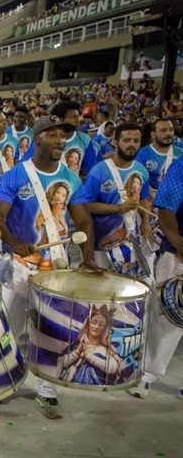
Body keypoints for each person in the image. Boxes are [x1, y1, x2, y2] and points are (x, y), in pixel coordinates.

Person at [0, 114, 96, 420]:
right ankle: (3, 379)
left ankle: (46, 389)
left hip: (57, 266)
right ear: (36, 140)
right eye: (52, 135)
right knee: (10, 323)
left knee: (52, 328)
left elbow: (84, 221)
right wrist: (12, 242)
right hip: (21, 264)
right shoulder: (15, 176)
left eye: (63, 136)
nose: (60, 140)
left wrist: (87, 259)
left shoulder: (72, 179)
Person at [128, 155, 183, 399]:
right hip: (178, 253)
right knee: (168, 316)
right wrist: (179, 243)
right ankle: (146, 375)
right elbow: (165, 210)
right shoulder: (181, 165)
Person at [70, 122, 152, 278]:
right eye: (126, 140)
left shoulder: (141, 171)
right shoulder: (99, 171)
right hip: (100, 244)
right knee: (99, 291)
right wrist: (119, 208)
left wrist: (146, 221)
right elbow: (85, 205)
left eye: (136, 141)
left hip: (129, 241)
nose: (131, 145)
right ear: (115, 142)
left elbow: (143, 199)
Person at [56, 305, 122, 385]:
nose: (96, 327)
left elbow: (112, 368)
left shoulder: (108, 349)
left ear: (105, 329)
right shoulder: (76, 346)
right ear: (88, 324)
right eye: (94, 322)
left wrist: (88, 355)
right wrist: (77, 352)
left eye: (101, 324)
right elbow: (61, 364)